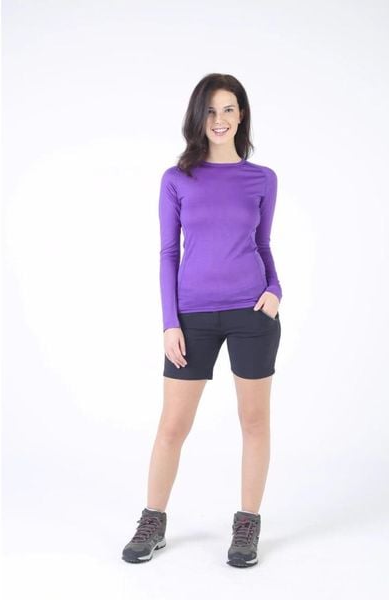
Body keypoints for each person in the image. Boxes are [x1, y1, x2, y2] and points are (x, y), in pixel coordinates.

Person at [122, 73, 282, 568]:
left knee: (253, 422)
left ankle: (247, 525)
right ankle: (153, 520)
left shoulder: (262, 179)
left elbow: (262, 244)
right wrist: (170, 322)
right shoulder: (177, 179)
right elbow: (168, 252)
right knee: (173, 425)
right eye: (211, 110)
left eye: (229, 109)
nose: (220, 119)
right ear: (198, 117)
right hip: (191, 316)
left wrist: (275, 290)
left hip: (251, 313)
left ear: (241, 115)